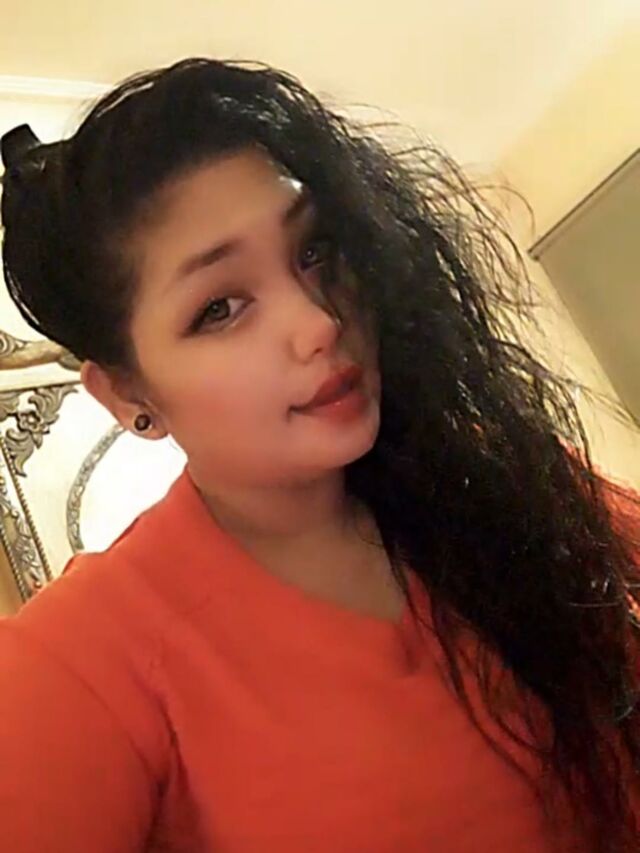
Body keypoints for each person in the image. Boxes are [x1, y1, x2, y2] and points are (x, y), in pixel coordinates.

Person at [0, 57, 639, 853]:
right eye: (219, 308)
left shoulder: (501, 474)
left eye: (315, 251)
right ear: (127, 392)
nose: (318, 323)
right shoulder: (83, 663)